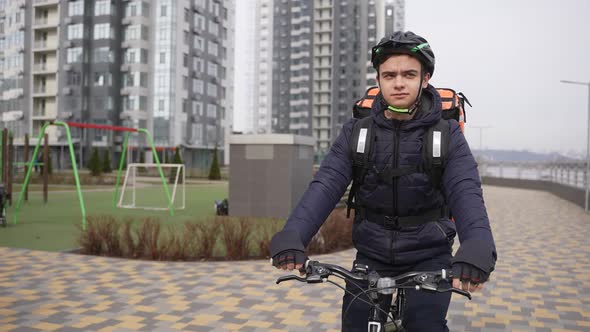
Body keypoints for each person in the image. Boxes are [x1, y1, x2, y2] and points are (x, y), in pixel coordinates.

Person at [269, 31, 497, 331]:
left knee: (424, 325)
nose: (398, 82)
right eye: (389, 74)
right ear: (378, 79)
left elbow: (465, 191)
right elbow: (325, 185)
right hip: (372, 254)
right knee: (355, 325)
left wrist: (477, 246)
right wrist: (293, 235)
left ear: (424, 79)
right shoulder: (357, 132)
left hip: (429, 254)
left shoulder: (446, 133)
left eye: (409, 74)